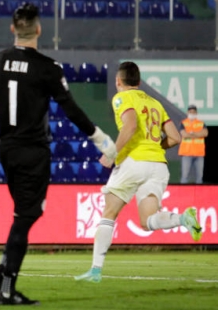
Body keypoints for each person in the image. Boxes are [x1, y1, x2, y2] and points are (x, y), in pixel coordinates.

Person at [0, 3, 117, 305]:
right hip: (34, 151)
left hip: (6, 149)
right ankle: (5, 284)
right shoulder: (48, 68)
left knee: (25, 212)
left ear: (13, 29)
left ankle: (4, 270)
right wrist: (99, 137)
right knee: (27, 214)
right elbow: (69, 108)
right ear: (39, 30)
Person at [74, 61, 203, 284]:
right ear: (139, 82)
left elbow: (130, 125)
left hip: (133, 162)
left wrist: (113, 152)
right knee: (147, 221)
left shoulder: (122, 97)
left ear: (118, 81)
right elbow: (175, 137)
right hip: (158, 166)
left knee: (109, 212)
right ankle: (183, 218)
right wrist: (154, 149)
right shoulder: (155, 103)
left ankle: (95, 271)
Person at [178, 105, 208, 184]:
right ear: (187, 112)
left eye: (194, 112)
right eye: (190, 112)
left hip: (199, 153)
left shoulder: (201, 123)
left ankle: (199, 195)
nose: (192, 113)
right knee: (185, 177)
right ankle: (183, 194)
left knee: (199, 177)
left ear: (196, 113)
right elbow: (184, 134)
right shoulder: (183, 123)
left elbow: (205, 133)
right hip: (187, 153)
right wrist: (198, 134)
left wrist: (191, 134)